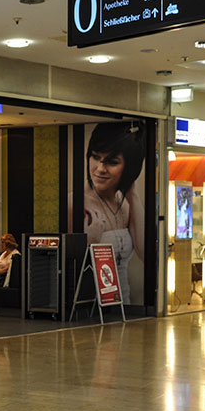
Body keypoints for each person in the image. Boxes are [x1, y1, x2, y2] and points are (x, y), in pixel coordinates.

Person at [77, 121, 145, 304]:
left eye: (112, 162)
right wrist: (91, 240)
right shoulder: (76, 203)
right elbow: (70, 268)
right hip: (91, 306)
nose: (100, 169)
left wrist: (133, 196)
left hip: (123, 303)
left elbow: (144, 253)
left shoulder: (123, 204)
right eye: (95, 157)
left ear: (129, 168)